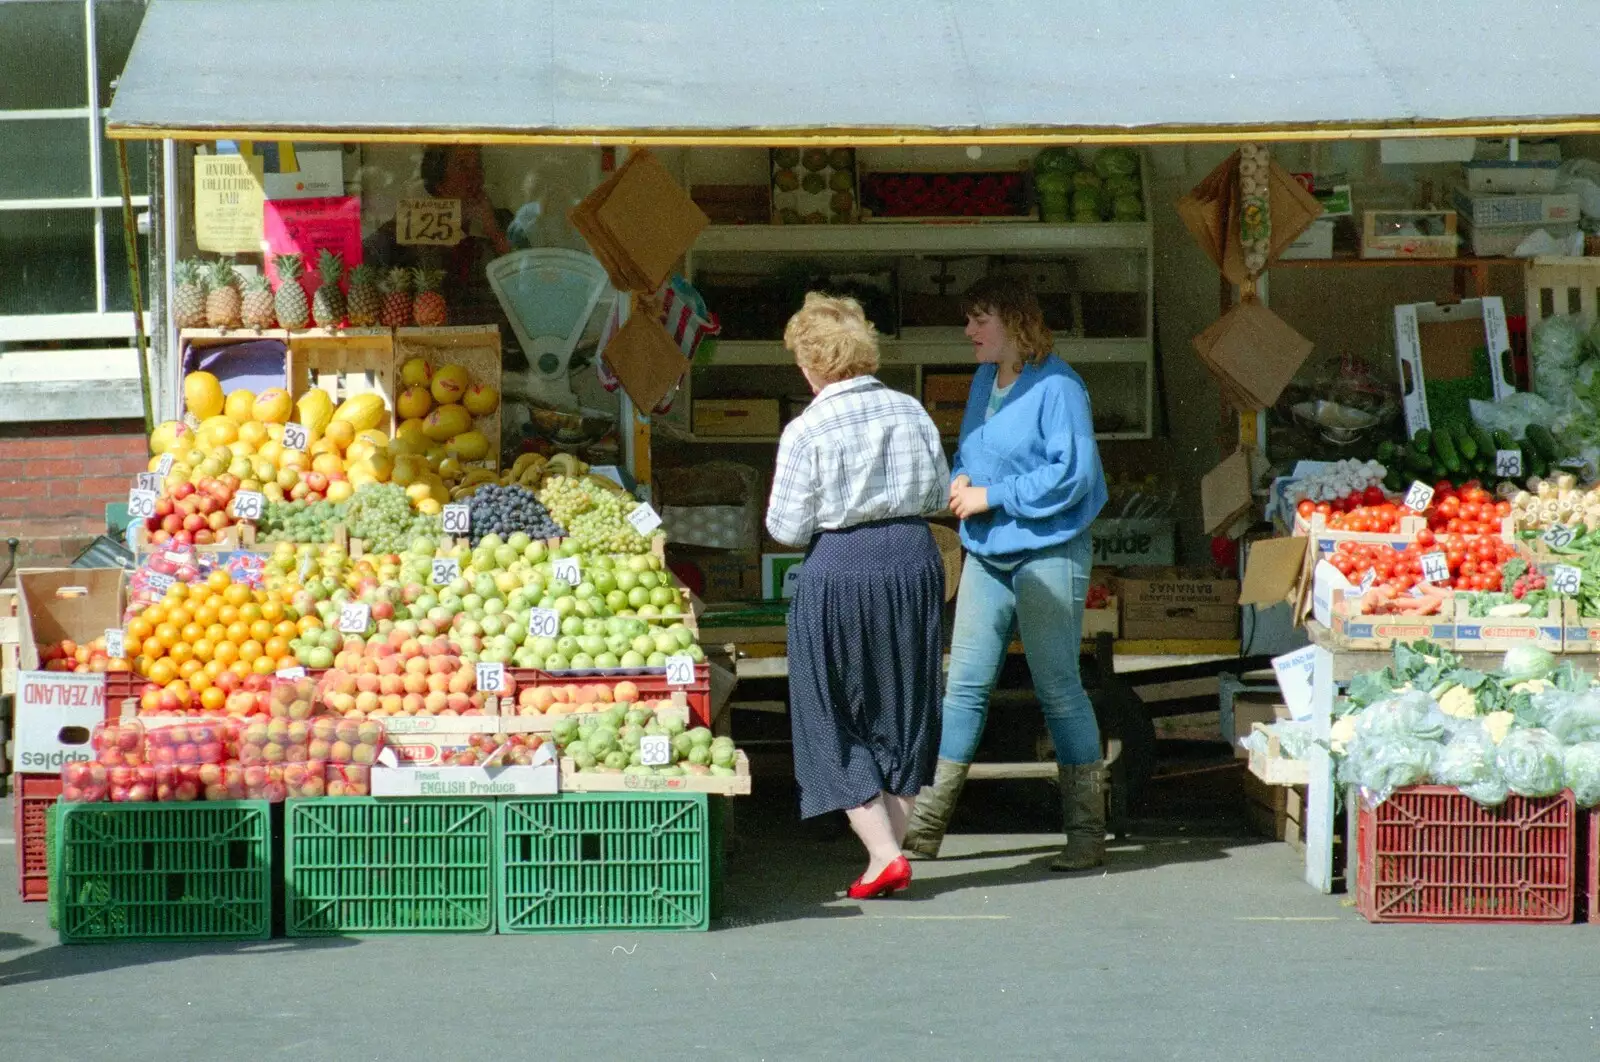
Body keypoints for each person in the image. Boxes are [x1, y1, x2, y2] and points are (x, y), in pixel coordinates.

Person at [903, 274, 1110, 871]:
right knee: (963, 686)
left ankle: (1086, 837)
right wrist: (962, 476)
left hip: (1049, 550)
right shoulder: (983, 380)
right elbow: (971, 446)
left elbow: (1072, 474)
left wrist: (993, 495)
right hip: (988, 552)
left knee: (1058, 689)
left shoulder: (1060, 387)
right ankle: (923, 832)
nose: (968, 331)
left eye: (979, 319)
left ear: (1015, 323)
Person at [766, 293, 951, 899]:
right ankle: (884, 860)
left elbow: (786, 528)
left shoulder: (807, 428)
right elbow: (938, 491)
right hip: (913, 559)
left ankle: (884, 855)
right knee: (904, 702)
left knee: (828, 705)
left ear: (811, 363)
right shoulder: (912, 411)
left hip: (842, 566)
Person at [363, 145, 525, 367]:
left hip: (494, 347)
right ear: (439, 181)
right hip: (422, 350)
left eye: (478, 166)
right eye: (462, 166)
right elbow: (366, 258)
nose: (474, 175)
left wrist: (493, 230)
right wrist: (404, 226)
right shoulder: (413, 224)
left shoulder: (502, 221)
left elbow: (528, 279)